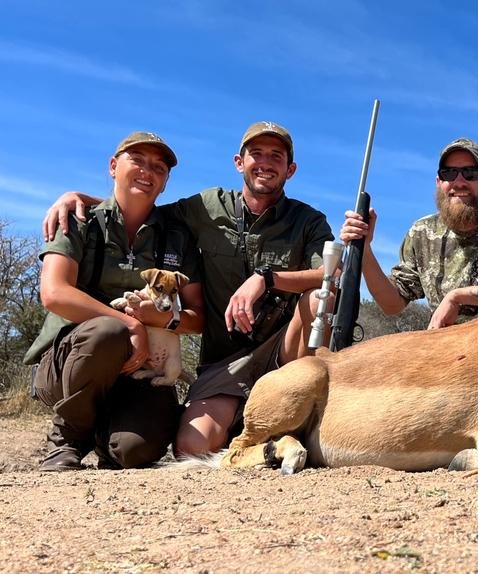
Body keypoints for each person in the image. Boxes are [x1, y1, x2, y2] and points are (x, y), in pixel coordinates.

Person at [42, 122, 334, 456]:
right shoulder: (208, 206)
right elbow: (144, 205)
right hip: (227, 360)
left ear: (290, 169)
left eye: (276, 156)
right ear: (239, 162)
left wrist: (268, 278)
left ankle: (297, 420)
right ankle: (244, 429)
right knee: (191, 448)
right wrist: (80, 198)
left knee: (319, 298)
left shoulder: (308, 220)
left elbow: (330, 271)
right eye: (256, 153)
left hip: (284, 351)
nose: (265, 162)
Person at [25, 131, 204, 471]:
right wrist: (130, 322)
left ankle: (106, 433)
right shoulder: (77, 220)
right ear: (112, 166)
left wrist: (164, 320)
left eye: (159, 167)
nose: (147, 171)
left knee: (135, 452)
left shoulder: (177, 237)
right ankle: (67, 439)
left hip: (141, 369)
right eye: (137, 160)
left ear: (165, 183)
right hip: (70, 366)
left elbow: (198, 318)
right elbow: (54, 293)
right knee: (108, 331)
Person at [341, 137, 478, 329]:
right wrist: (364, 249)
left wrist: (457, 297)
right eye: (449, 173)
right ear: (438, 182)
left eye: (470, 173)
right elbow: (391, 304)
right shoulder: (421, 231)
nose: (459, 182)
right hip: (442, 344)